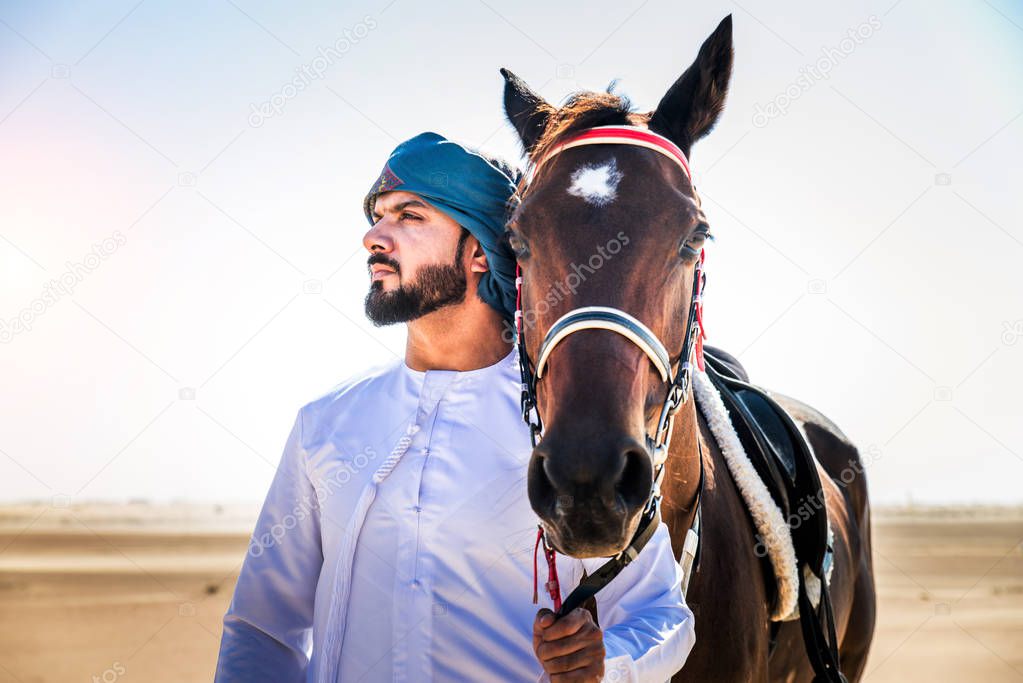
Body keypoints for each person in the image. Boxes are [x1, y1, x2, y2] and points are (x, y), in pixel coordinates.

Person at [214, 132, 696, 682]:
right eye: (378, 215)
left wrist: (607, 663)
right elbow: (262, 627)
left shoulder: (562, 432)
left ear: (477, 252)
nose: (374, 235)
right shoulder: (325, 423)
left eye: (409, 216)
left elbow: (660, 613)